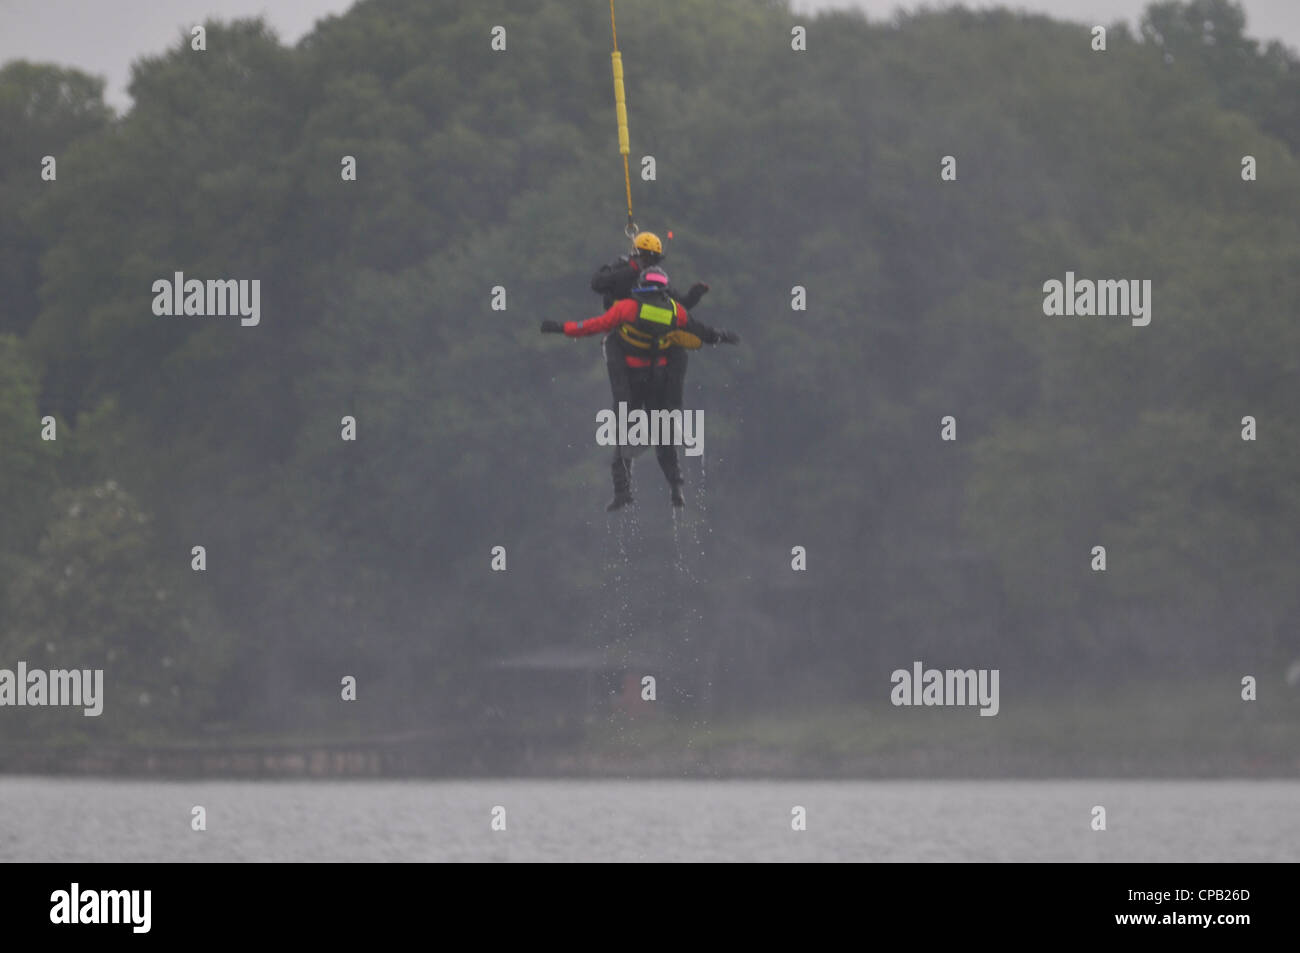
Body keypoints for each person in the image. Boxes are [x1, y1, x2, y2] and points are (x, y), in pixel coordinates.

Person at [542, 267, 739, 510]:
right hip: (658, 381)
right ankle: (676, 487)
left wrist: (563, 328)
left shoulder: (628, 308)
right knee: (664, 433)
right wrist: (722, 336)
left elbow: (594, 326)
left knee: (625, 433)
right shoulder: (675, 311)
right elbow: (701, 332)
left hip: (632, 380)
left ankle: (622, 492)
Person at [590, 230, 709, 438]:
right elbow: (598, 283)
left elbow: (680, 304)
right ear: (635, 255)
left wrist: (694, 295)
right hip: (620, 338)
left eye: (653, 260)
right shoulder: (621, 268)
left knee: (678, 354)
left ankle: (671, 415)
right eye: (644, 258)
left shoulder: (654, 280)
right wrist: (630, 271)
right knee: (623, 390)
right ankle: (623, 427)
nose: (648, 264)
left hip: (650, 342)